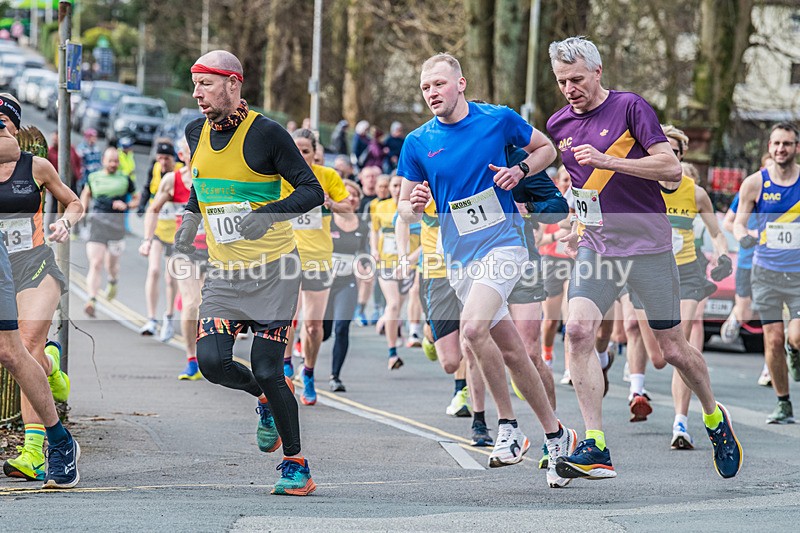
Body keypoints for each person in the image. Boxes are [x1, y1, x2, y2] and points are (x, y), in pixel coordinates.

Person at [546, 36, 741, 480]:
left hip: (649, 248)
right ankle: (595, 445)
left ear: (597, 72)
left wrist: (611, 162)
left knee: (672, 349)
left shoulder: (631, 108)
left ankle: (713, 417)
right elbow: (581, 189)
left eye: (576, 78)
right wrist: (576, 223)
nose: (570, 88)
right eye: (562, 81)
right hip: (598, 247)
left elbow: (670, 170)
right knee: (576, 331)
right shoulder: (558, 125)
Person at [397, 53, 578, 488]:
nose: (432, 93)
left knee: (473, 331)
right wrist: (414, 206)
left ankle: (508, 428)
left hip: (504, 245)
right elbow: (404, 206)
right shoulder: (418, 142)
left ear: (461, 83)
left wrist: (520, 171)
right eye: (425, 88)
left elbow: (546, 149)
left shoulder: (497, 119)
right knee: (513, 351)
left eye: (439, 84)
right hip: (460, 259)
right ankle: (557, 435)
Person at [176, 50, 323, 495]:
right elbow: (200, 191)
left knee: (268, 366)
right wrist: (187, 228)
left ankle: (297, 466)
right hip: (224, 271)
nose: (198, 94)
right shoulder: (193, 132)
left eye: (206, 84)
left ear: (233, 83)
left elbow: (311, 191)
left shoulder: (267, 134)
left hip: (274, 271)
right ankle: (262, 399)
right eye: (195, 84)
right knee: (212, 363)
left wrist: (267, 214)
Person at [627, 125, 730, 449]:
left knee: (680, 346)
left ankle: (681, 424)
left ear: (680, 156)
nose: (665, 154)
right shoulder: (642, 187)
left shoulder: (695, 192)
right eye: (660, 149)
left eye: (672, 150)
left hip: (685, 273)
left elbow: (716, 232)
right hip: (648, 272)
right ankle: (639, 386)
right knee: (660, 357)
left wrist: (723, 254)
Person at [0, 96, 84, 482]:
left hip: (34, 267)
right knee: (21, 355)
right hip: (3, 274)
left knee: (26, 345)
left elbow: (73, 202)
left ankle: (35, 450)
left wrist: (66, 223)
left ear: (15, 126)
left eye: (3, 120)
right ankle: (52, 369)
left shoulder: (35, 166)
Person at [733, 122, 800, 424]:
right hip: (766, 272)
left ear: (796, 147)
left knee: (796, 336)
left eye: (786, 144)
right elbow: (738, 221)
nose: (780, 149)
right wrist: (742, 234)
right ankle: (783, 403)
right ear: (769, 147)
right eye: (776, 144)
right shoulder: (754, 183)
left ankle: (795, 350)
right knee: (773, 340)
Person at [283, 128, 351, 406]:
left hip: (318, 257)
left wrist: (331, 203)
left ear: (315, 153)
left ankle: (308, 372)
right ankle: (286, 366)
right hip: (285, 255)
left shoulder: (328, 177)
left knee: (312, 326)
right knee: (285, 318)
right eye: (295, 150)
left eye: (306, 151)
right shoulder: (278, 176)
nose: (300, 156)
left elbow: (349, 207)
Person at [140, 138, 207, 380]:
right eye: (193, 151)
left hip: (214, 251)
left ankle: (210, 355)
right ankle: (192, 359)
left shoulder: (213, 179)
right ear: (182, 154)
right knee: (192, 303)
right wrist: (147, 239)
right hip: (185, 251)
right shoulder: (173, 180)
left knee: (210, 307)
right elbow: (153, 209)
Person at [80, 147, 139, 317]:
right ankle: (91, 299)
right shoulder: (94, 177)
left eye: (115, 161)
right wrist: (82, 211)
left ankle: (113, 280)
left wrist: (126, 205)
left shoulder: (125, 179)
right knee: (96, 263)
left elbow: (137, 198)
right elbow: (86, 194)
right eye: (110, 160)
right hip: (97, 224)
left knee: (111, 265)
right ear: (103, 161)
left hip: (116, 226)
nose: (113, 164)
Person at [321, 179, 368, 392]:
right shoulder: (326, 221)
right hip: (322, 283)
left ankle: (335, 376)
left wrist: (366, 266)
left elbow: (365, 253)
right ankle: (305, 356)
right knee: (321, 332)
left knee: (342, 327)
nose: (351, 198)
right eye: (346, 194)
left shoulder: (363, 225)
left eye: (355, 195)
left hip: (346, 283)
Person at [138, 140, 180, 340]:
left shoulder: (180, 174)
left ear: (174, 158)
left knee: (171, 278)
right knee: (153, 271)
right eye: (160, 158)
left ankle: (169, 317)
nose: (163, 162)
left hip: (177, 233)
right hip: (158, 229)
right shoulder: (154, 169)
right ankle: (152, 319)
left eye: (167, 158)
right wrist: (143, 205)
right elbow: (148, 188)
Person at [76, 128, 102, 194]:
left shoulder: (97, 148)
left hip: (95, 178)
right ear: (88, 137)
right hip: (84, 179)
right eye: (93, 136)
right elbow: (79, 163)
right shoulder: (81, 148)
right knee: (82, 196)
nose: (95, 138)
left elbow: (99, 163)